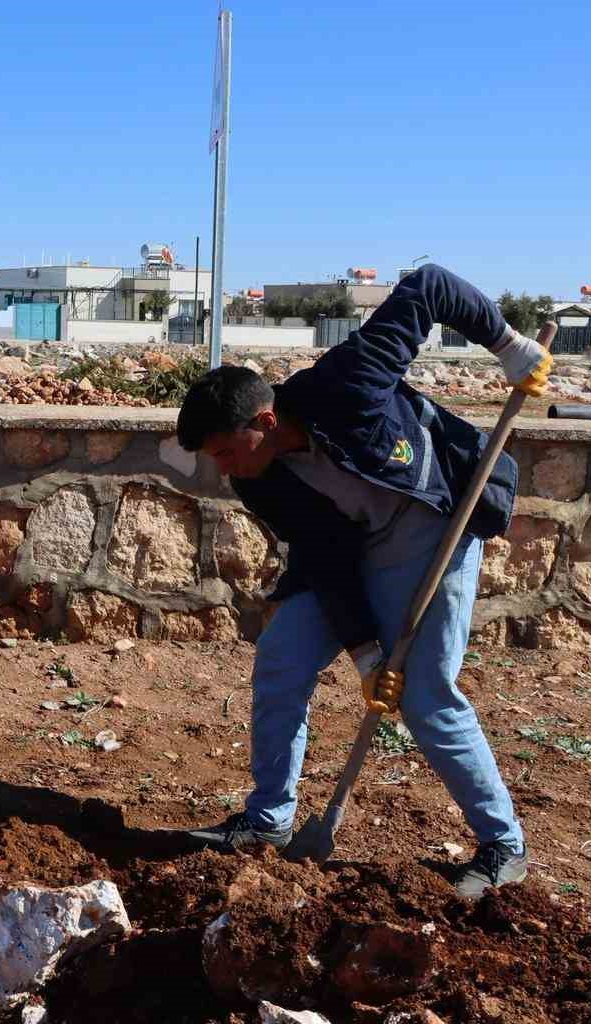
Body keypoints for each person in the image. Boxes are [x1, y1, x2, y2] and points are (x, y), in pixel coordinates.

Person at [176, 264, 553, 899]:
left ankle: (502, 844)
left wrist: (509, 346)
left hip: (436, 522)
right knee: (282, 657)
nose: (222, 469)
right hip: (356, 548)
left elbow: (430, 285)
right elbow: (325, 554)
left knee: (427, 693)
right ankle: (268, 820)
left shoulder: (347, 381)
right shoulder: (257, 476)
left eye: (224, 451)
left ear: (263, 424)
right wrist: (365, 652)